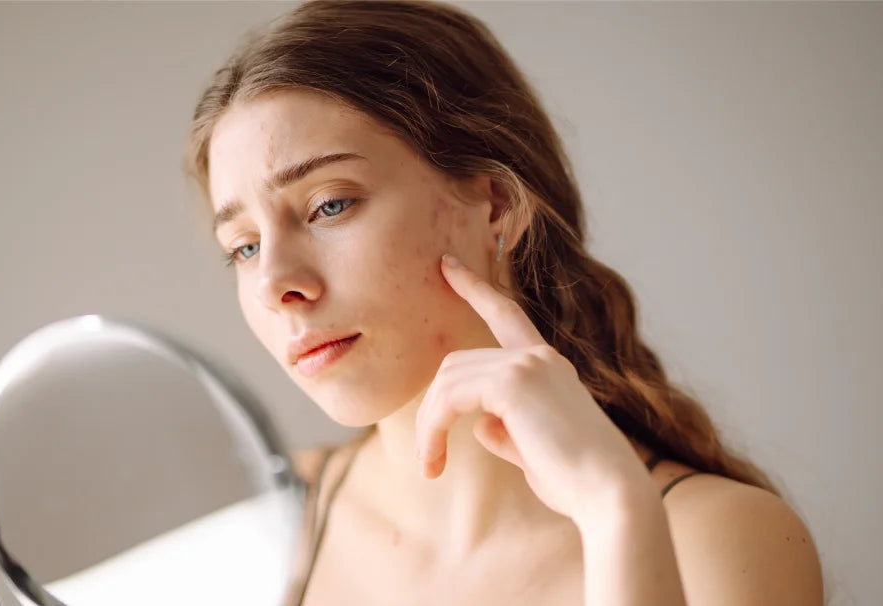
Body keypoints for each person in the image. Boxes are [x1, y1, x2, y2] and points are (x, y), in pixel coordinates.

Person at [183, 1, 824, 604]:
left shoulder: (716, 540)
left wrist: (615, 513)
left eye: (330, 205)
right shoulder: (259, 529)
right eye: (244, 247)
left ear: (496, 204)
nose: (274, 285)